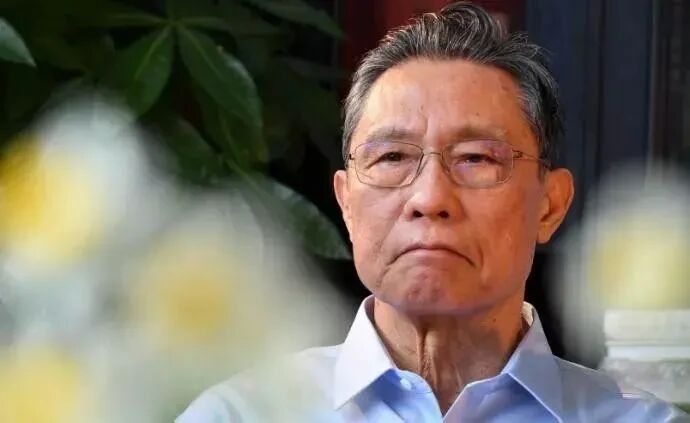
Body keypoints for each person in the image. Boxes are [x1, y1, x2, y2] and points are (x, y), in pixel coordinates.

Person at [177, 2, 687, 422]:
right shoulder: (239, 415)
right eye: (391, 157)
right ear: (346, 202)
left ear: (549, 205)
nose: (429, 199)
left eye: (476, 158)